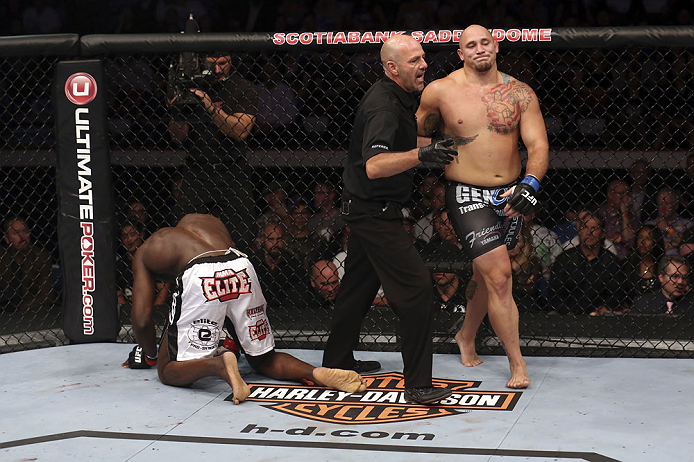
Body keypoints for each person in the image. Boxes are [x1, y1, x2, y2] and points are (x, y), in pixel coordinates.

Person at [322, 34, 456, 405]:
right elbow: (376, 165)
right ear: (392, 68)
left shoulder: (397, 96)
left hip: (367, 208)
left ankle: (336, 362)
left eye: (423, 58)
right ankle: (418, 384)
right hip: (374, 212)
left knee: (358, 288)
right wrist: (423, 154)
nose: (424, 64)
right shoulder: (383, 105)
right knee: (415, 291)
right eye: (414, 60)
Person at [416, 24, 549, 388]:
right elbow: (417, 137)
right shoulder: (441, 90)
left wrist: (531, 183)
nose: (478, 49)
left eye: (484, 42)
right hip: (465, 193)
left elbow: (537, 145)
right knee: (501, 277)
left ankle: (465, 334)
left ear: (496, 46)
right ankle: (517, 365)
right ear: (460, 53)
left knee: (484, 275)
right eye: (470, 45)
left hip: (510, 193)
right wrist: (430, 153)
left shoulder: (520, 93)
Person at [124, 213, 366, 401]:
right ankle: (316, 373)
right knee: (263, 359)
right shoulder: (210, 223)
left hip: (200, 273)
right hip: (241, 265)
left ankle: (219, 366)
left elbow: (142, 318)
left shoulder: (146, 252)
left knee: (167, 370)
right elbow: (224, 285)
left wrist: (151, 355)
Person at [167, 52, 258, 252]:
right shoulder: (190, 86)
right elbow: (177, 136)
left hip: (232, 169)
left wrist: (210, 107)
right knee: (184, 234)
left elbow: (241, 131)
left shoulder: (242, 87)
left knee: (241, 236)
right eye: (211, 64)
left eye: (223, 63)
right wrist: (178, 111)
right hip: (197, 168)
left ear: (231, 61)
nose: (217, 70)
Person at [548, 211, 626, 315]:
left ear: (602, 233)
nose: (588, 232)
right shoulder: (565, 259)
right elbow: (554, 293)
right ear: (579, 231)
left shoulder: (611, 262)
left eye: (594, 228)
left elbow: (617, 294)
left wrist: (605, 307)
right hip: (568, 316)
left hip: (600, 318)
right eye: (585, 227)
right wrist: (567, 311)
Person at [249, 221, 309, 312]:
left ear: (284, 239)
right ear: (262, 239)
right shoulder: (253, 263)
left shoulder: (293, 264)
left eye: (279, 239)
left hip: (288, 313)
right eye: (271, 239)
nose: (275, 244)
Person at [0, 217, 54, 312]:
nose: (22, 236)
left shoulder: (41, 257)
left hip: (31, 312)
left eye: (25, 232)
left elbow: (46, 295)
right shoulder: (2, 258)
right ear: (7, 239)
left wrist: (21, 309)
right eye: (16, 233)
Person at [117, 220, 170, 307]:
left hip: (153, 310)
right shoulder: (120, 265)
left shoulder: (154, 261)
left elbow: (163, 291)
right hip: (128, 312)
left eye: (132, 235)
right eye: (124, 236)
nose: (128, 240)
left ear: (141, 235)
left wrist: (154, 312)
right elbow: (118, 294)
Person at [625, 224, 665, 306]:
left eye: (648, 239)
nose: (643, 242)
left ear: (656, 241)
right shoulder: (627, 264)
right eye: (640, 237)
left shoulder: (663, 265)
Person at [598, 178, 637, 260]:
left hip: (624, 261)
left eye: (627, 194)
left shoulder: (632, 217)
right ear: (610, 194)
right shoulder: (599, 213)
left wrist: (624, 213)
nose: (625, 197)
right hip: (602, 259)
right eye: (621, 193)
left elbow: (630, 241)